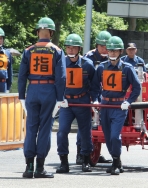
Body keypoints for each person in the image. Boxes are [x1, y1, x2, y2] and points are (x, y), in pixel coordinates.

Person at [18, 17, 66, 178]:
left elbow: (21, 76)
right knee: (45, 128)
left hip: (32, 90)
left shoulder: (28, 50)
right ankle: (40, 167)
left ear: (38, 31)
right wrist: (60, 99)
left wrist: (21, 96)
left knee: (31, 127)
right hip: (49, 90)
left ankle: (29, 167)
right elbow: (61, 78)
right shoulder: (57, 51)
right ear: (51, 32)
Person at [91, 36, 141, 175]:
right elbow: (94, 87)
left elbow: (137, 88)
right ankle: (116, 161)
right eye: (110, 51)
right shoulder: (101, 67)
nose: (112, 53)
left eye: (115, 51)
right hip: (105, 105)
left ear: (120, 52)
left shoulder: (127, 68)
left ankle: (116, 160)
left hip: (119, 106)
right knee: (107, 136)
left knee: (114, 135)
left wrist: (128, 101)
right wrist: (95, 100)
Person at [56, 33, 95, 173]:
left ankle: (85, 160)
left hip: (82, 101)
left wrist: (93, 99)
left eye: (74, 48)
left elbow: (95, 84)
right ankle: (63, 162)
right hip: (67, 102)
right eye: (68, 47)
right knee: (61, 132)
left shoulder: (87, 64)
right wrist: (60, 98)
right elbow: (57, 82)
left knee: (85, 132)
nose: (71, 50)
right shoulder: (61, 63)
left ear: (79, 49)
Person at [75, 30, 112, 165]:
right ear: (97, 45)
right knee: (85, 124)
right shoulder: (88, 56)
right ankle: (80, 153)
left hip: (105, 94)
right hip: (89, 93)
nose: (105, 49)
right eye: (102, 46)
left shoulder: (112, 56)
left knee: (100, 124)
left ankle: (96, 152)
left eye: (107, 47)